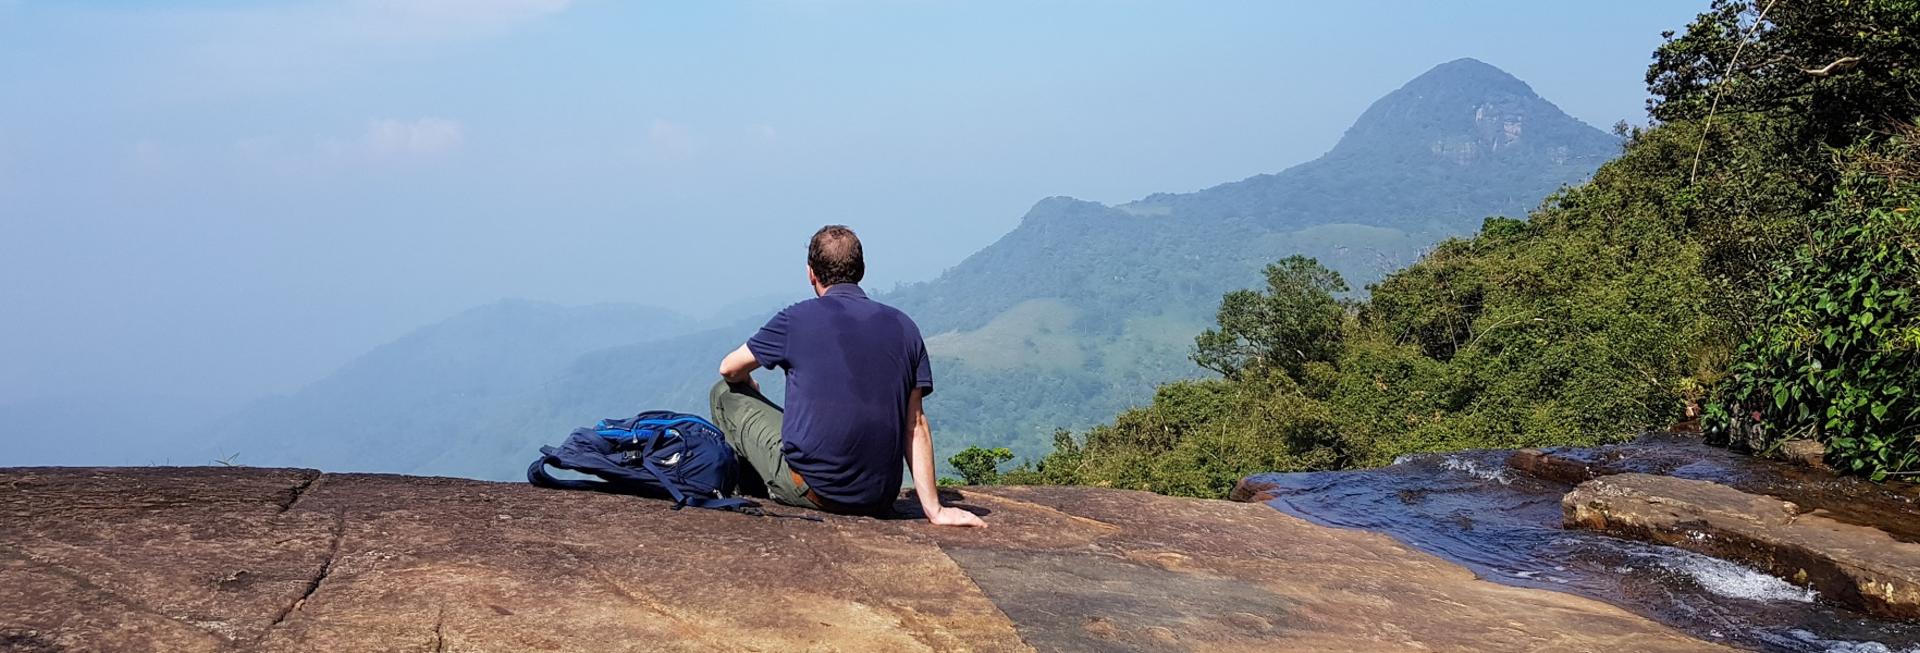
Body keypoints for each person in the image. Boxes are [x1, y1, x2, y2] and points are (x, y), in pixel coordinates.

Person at [710, 225, 986, 527]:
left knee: (723, 393)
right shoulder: (904, 327)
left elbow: (729, 369)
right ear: (862, 270)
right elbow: (915, 422)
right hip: (879, 495)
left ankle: (759, 494)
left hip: (815, 489)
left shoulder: (795, 319)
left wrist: (748, 384)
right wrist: (935, 509)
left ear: (811, 273)